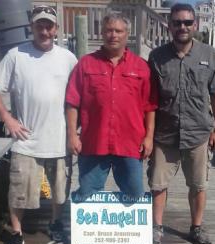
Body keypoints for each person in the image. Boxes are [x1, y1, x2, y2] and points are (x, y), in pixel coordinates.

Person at [0, 5, 77, 244]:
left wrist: (75, 131)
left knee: (60, 192)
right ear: (32, 27)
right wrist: (7, 117)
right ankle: (16, 232)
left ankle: (56, 223)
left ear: (56, 29)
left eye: (49, 26)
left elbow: (80, 96)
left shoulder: (68, 58)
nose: (44, 31)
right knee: (19, 194)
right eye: (40, 26)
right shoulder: (15, 55)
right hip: (25, 140)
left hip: (59, 140)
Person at [147, 3, 215, 244]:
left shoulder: (209, 55)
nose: (182, 27)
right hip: (164, 134)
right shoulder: (156, 56)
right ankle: (156, 228)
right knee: (158, 184)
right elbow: (148, 98)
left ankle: (196, 228)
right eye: (177, 22)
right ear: (169, 25)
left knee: (198, 185)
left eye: (187, 22)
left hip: (198, 133)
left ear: (196, 25)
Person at [65, 13, 157, 200]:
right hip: (93, 142)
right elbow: (72, 102)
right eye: (108, 30)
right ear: (102, 33)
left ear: (127, 34)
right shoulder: (85, 64)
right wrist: (72, 135)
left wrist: (149, 137)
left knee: (134, 195)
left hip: (130, 144)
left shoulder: (141, 67)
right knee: (87, 195)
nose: (113, 35)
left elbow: (149, 107)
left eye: (118, 31)